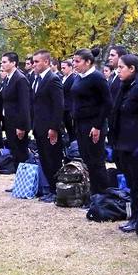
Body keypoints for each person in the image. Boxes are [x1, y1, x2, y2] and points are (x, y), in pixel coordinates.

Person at [111, 54, 138, 231]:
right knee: (131, 183)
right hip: (124, 144)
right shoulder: (126, 86)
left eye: (121, 67)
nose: (118, 71)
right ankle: (134, 216)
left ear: (132, 69)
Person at [71, 48, 112, 195]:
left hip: (93, 125)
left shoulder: (97, 77)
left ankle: (103, 195)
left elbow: (107, 103)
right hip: (80, 124)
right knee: (87, 159)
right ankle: (94, 193)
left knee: (96, 161)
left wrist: (97, 126)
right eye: (73, 61)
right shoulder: (79, 77)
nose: (74, 64)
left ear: (88, 62)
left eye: (77, 61)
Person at [30, 50, 64, 203]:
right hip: (39, 126)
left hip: (49, 127)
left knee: (53, 159)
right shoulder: (37, 79)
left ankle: (56, 190)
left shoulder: (53, 79)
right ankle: (50, 188)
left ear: (46, 62)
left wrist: (54, 128)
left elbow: (58, 106)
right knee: (44, 158)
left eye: (37, 61)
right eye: (33, 62)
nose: (34, 65)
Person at [0, 52, 32, 167]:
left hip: (17, 122)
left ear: (13, 63)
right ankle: (17, 173)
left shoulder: (20, 79)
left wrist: (21, 126)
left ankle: (23, 174)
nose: (2, 64)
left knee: (20, 151)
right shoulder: (8, 78)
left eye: (5, 62)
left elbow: (24, 105)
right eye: (1, 62)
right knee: (14, 150)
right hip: (9, 120)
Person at [61, 59, 76, 142]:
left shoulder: (73, 78)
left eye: (64, 68)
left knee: (71, 129)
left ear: (70, 67)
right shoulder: (63, 78)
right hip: (64, 107)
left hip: (69, 108)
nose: (62, 70)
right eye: (61, 68)